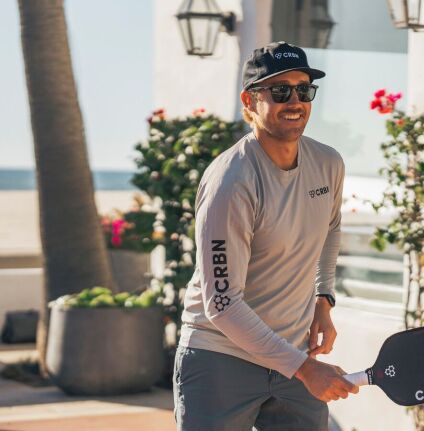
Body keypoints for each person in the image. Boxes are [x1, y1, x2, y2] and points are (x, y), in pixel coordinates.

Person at [173, 41, 358, 431]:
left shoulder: (327, 163)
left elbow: (329, 229)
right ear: (249, 101)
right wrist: (306, 368)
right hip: (220, 357)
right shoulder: (232, 180)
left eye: (303, 89)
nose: (295, 101)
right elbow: (221, 304)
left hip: (289, 354)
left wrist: (323, 300)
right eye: (279, 91)